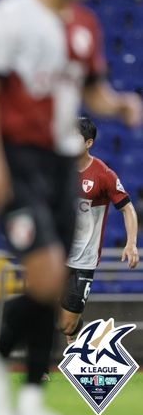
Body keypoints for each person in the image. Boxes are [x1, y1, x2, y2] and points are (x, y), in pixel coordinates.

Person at [0, 0, 142, 415]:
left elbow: (93, 92)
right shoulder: (7, 17)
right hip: (18, 161)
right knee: (47, 273)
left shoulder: (84, 24)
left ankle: (29, 400)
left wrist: (119, 103)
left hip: (62, 167)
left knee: (47, 288)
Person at [61, 117, 139, 342]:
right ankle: (39, 370)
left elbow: (128, 208)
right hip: (56, 253)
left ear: (88, 143)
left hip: (83, 259)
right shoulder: (58, 168)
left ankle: (80, 334)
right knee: (43, 311)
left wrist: (131, 243)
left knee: (66, 324)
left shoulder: (103, 174)